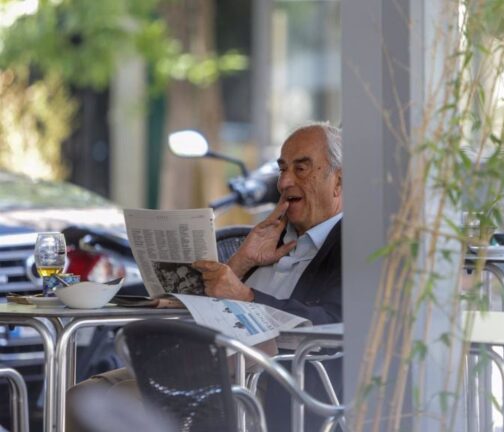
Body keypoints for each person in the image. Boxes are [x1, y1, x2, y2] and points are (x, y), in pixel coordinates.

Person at [66, 122, 343, 432]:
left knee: (122, 402)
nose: (284, 181)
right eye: (282, 169)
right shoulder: (271, 236)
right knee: (83, 396)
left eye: (301, 169)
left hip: (273, 381)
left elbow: (333, 321)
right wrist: (242, 261)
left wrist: (245, 297)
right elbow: (221, 296)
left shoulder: (350, 244)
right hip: (203, 363)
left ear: (339, 181)